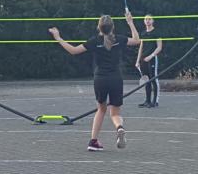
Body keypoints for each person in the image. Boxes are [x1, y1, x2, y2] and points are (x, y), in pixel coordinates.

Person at [49, 13, 140, 151]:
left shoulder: (94, 41)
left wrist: (58, 38)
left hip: (100, 79)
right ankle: (119, 127)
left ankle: (93, 141)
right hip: (115, 79)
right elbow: (137, 40)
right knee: (115, 113)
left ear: (99, 27)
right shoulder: (119, 39)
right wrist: (130, 22)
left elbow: (73, 51)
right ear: (113, 27)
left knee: (101, 109)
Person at [136, 14, 163, 108]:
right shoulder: (143, 33)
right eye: (146, 19)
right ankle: (147, 101)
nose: (147, 21)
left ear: (153, 21)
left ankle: (155, 101)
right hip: (143, 60)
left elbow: (159, 48)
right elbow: (141, 47)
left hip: (152, 59)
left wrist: (151, 56)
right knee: (146, 80)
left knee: (153, 79)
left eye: (149, 19)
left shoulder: (157, 32)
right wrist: (137, 60)